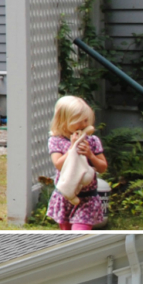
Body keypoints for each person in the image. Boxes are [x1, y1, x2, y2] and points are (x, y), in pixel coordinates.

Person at [48, 96, 109, 231]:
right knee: (66, 233)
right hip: (65, 196)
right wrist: (72, 147)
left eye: (86, 120)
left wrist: (90, 155)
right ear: (64, 122)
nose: (83, 125)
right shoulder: (56, 141)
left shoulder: (92, 141)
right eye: (78, 122)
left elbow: (103, 167)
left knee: (80, 231)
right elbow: (58, 164)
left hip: (87, 198)